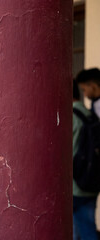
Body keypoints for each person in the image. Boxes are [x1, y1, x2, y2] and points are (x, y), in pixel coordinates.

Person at [72, 80, 98, 240]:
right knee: (88, 224)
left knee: (76, 230)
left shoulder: (69, 116)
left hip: (75, 184)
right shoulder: (89, 113)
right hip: (92, 180)